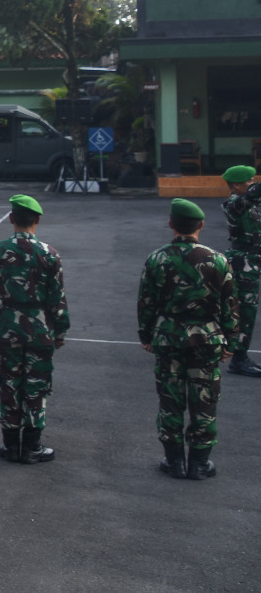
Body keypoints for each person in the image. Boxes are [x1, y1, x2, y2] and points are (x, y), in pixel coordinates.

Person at [138, 198, 239, 479]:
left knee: (170, 401)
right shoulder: (217, 259)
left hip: (169, 338)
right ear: (201, 225)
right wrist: (231, 340)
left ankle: (174, 461)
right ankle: (199, 462)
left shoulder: (157, 259)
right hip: (206, 339)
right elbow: (229, 304)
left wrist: (145, 335)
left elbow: (146, 302)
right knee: (204, 400)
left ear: (172, 225)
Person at [0, 194, 68, 464]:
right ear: (37, 220)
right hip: (40, 328)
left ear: (11, 219)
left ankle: (10, 445)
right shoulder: (49, 253)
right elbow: (57, 298)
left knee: (9, 384)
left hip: (8, 326)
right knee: (36, 387)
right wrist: (60, 330)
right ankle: (32, 446)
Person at [223, 165, 261, 376]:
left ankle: (241, 356)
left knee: (250, 310)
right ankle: (238, 359)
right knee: (246, 312)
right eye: (248, 181)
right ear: (237, 185)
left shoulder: (250, 204)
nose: (252, 183)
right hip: (243, 263)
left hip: (253, 260)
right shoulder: (234, 204)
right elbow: (255, 193)